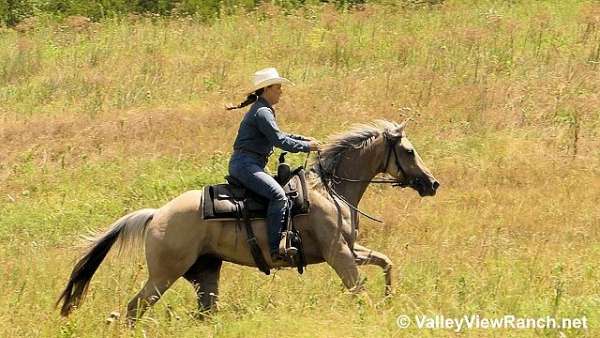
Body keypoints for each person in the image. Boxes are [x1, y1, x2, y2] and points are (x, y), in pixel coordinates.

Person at [226, 68, 319, 262]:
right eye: (278, 87)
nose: (281, 91)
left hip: (250, 163)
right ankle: (276, 248)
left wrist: (305, 140)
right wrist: (306, 146)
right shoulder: (262, 112)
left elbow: (280, 135)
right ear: (267, 89)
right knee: (278, 196)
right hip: (246, 165)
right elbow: (279, 141)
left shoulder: (263, 110)